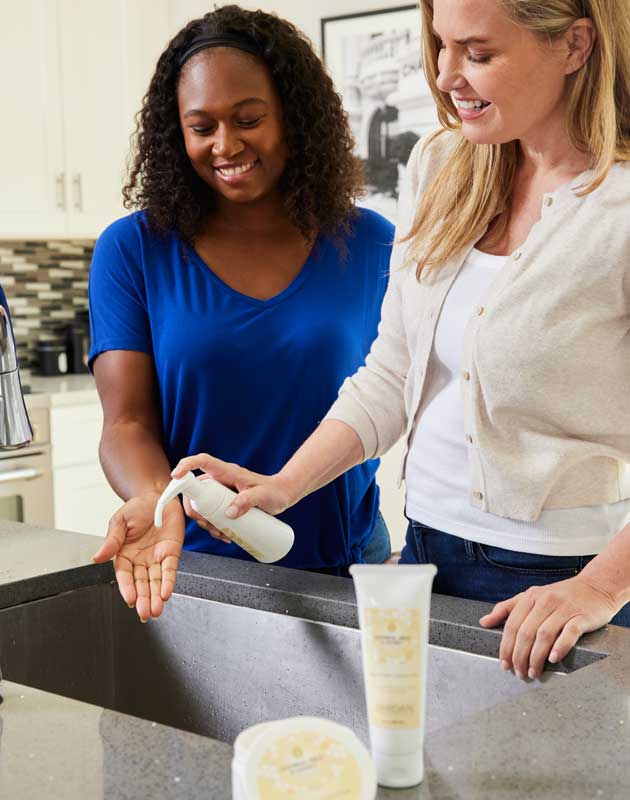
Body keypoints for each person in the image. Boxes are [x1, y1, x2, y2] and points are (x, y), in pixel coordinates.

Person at [174, 0, 630, 681]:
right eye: (441, 45)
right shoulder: (441, 166)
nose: (446, 76)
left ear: (575, 45)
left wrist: (599, 588)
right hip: (424, 556)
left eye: (479, 53)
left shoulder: (618, 210)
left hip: (560, 585)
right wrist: (284, 486)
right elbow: (393, 370)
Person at [88, 5, 394, 622]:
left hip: (349, 565)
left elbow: (395, 395)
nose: (225, 145)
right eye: (201, 127)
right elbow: (126, 423)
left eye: (248, 119)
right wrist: (154, 498)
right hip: (195, 566)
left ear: (293, 117)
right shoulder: (133, 249)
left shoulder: (372, 245)